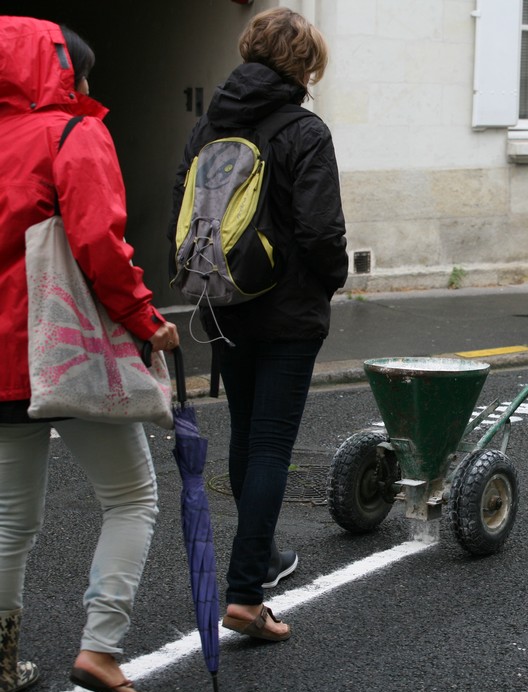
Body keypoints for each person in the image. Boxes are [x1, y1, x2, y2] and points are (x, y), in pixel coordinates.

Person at [0, 17, 179, 692]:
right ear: (60, 70)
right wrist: (146, 321)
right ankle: (100, 649)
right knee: (132, 495)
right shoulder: (72, 133)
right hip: (61, 353)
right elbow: (100, 248)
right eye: (84, 71)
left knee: (10, 518)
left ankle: (0, 660)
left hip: (1, 366)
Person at [167, 8, 348, 642]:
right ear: (305, 65)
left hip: (223, 302)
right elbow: (322, 231)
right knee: (272, 446)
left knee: (247, 436)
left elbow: (180, 212)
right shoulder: (304, 130)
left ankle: (263, 557)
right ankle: (246, 594)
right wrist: (328, 284)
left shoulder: (207, 129)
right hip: (289, 308)